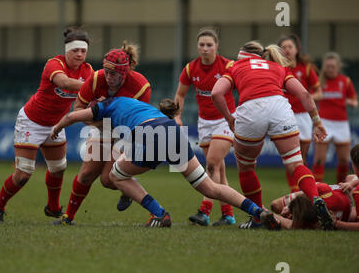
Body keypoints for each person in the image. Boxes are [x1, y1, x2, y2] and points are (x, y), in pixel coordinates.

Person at [51, 96, 269, 227]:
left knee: (116, 175)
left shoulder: (104, 107)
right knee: (210, 187)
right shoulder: (130, 104)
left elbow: (71, 117)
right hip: (172, 131)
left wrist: (56, 128)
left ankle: (159, 213)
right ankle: (258, 212)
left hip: (152, 134)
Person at [211, 40, 334, 230]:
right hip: (280, 108)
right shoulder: (278, 67)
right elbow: (304, 94)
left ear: (242, 55)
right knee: (295, 164)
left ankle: (258, 217)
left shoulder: (236, 66)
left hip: (251, 109)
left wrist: (229, 118)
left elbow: (216, 93)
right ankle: (315, 198)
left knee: (246, 168)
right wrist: (317, 123)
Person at [0, 28, 93, 223]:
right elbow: (64, 82)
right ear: (66, 51)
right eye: (75, 50)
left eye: (83, 51)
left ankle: (52, 208)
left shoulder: (88, 71)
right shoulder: (54, 64)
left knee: (59, 168)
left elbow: (96, 92)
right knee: (23, 175)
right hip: (31, 121)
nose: (79, 54)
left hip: (56, 124)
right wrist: (92, 86)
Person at [54, 42, 151, 225]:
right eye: (106, 72)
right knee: (86, 174)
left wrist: (102, 111)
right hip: (101, 128)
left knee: (108, 180)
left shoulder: (141, 87)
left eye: (113, 74)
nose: (108, 77)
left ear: (124, 73)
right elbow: (79, 109)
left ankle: (129, 188)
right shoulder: (96, 79)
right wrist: (96, 118)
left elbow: (136, 121)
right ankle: (68, 217)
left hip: (125, 132)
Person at [174, 28, 236, 227]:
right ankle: (228, 215)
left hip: (226, 120)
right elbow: (180, 94)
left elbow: (245, 87)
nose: (205, 48)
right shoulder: (191, 68)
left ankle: (204, 211)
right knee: (219, 170)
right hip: (204, 123)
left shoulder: (228, 66)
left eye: (209, 45)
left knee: (211, 164)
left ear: (216, 46)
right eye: (202, 45)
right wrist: (177, 115)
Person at [278, 34, 322, 192]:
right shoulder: (278, 68)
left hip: (304, 116)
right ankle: (295, 192)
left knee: (302, 157)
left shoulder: (306, 68)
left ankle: (305, 190)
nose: (287, 50)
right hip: (285, 115)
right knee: (290, 157)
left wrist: (307, 97)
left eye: (290, 46)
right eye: (283, 47)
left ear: (297, 49)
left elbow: (319, 92)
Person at [312, 52, 357, 184]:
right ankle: (317, 189)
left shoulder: (345, 81)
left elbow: (354, 101)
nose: (330, 69)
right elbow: (310, 97)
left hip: (341, 123)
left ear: (338, 67)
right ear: (324, 67)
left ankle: (341, 188)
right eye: (328, 66)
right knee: (319, 159)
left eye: (333, 66)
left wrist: (351, 103)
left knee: (344, 160)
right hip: (324, 122)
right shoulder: (319, 82)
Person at [260, 180, 357, 230]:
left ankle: (293, 212)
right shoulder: (323, 190)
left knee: (275, 205)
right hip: (340, 197)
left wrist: (265, 211)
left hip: (344, 203)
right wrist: (290, 207)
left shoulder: (311, 223)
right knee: (275, 205)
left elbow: (290, 225)